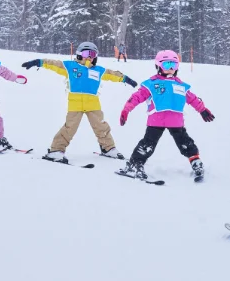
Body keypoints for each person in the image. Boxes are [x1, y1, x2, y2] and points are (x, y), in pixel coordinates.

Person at [22, 41, 137, 163]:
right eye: (87, 53)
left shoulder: (98, 70)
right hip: (75, 104)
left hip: (93, 104)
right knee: (69, 128)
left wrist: (126, 79)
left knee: (101, 126)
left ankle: (108, 148)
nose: (90, 56)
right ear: (79, 54)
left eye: (93, 54)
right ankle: (56, 150)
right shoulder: (71, 67)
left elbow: (112, 74)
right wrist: (39, 62)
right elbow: (54, 64)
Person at [118, 50, 214, 182]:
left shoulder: (180, 85)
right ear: (158, 66)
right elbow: (136, 97)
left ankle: (195, 162)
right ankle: (135, 164)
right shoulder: (151, 84)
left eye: (174, 65)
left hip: (176, 122)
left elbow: (192, 99)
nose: (170, 69)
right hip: (156, 121)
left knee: (185, 143)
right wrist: (126, 110)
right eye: (167, 64)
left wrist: (202, 109)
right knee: (147, 145)